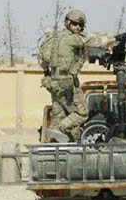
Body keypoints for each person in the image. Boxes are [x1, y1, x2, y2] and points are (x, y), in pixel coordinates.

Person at [38, 9, 91, 142]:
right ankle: (60, 130)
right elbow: (94, 41)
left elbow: (42, 59)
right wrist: (113, 39)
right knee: (82, 113)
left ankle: (55, 147)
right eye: (75, 24)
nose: (78, 27)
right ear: (68, 23)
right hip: (67, 83)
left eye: (80, 25)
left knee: (59, 115)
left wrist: (48, 74)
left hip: (54, 83)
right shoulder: (72, 39)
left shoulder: (54, 39)